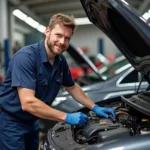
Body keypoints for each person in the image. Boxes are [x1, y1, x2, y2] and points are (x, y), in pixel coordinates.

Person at [0, 13, 115, 150]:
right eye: (58, 35)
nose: (62, 42)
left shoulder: (60, 61)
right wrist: (66, 117)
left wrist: (94, 107)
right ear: (47, 31)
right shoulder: (26, 57)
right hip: (11, 122)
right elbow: (28, 103)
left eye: (67, 38)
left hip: (33, 121)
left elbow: (72, 87)